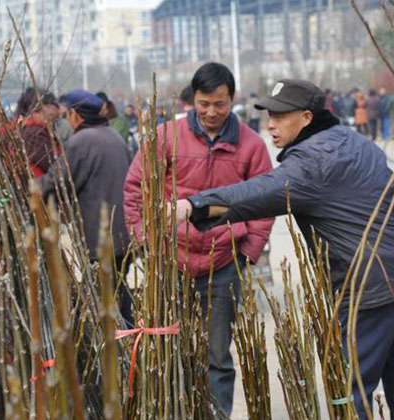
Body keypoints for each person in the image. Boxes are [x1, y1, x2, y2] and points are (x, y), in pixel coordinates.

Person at [173, 79, 394, 420]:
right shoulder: (354, 142)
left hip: (367, 287)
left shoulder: (314, 161)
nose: (270, 123)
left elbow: (259, 193)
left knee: (353, 391)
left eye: (280, 115)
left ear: (305, 117)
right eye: (269, 114)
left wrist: (194, 206)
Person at [123, 62, 274, 417]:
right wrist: (146, 241)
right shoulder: (166, 137)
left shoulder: (251, 145)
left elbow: (266, 201)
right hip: (171, 262)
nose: (210, 112)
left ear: (231, 100)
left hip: (223, 263)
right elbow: (135, 189)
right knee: (168, 346)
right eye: (203, 103)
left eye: (219, 104)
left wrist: (247, 253)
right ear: (193, 100)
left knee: (217, 356)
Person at [42, 89, 133, 324]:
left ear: (76, 115)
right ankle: (128, 344)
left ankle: (119, 350)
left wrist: (29, 189)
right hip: (125, 233)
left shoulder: (81, 141)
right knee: (119, 292)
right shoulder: (114, 136)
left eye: (66, 115)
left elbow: (55, 182)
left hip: (100, 235)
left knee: (107, 299)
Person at [14, 87, 61, 176]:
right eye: (51, 105)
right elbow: (53, 165)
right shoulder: (35, 134)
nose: (56, 109)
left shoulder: (32, 129)